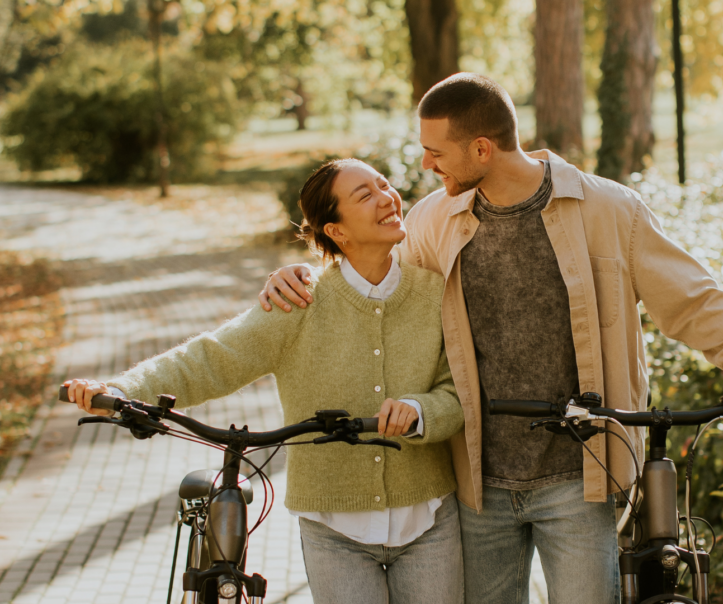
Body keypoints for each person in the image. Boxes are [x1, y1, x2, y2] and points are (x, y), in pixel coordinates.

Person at [257, 73, 723, 604]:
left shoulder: (609, 211)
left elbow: (698, 302)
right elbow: (374, 282)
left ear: (481, 150)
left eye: (436, 152)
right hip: (476, 481)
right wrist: (301, 277)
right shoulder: (434, 221)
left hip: (580, 477)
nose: (425, 166)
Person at [65, 158, 466, 604]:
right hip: (335, 532)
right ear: (336, 230)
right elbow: (213, 357)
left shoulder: (435, 293)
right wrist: (122, 390)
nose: (387, 198)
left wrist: (420, 411)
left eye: (383, 185)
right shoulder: (301, 299)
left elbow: (456, 392)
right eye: (364, 195)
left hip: (429, 521)